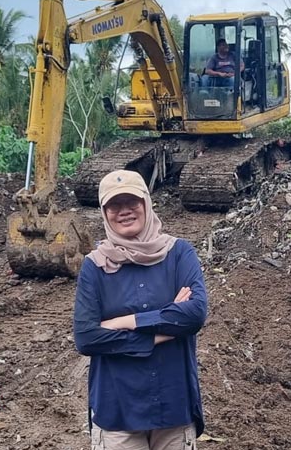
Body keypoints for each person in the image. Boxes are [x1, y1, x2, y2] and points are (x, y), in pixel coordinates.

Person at [73, 169, 208, 450]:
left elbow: (194, 314)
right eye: (114, 205)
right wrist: (159, 332)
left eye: (131, 202)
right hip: (117, 412)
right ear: (104, 211)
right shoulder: (94, 266)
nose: (124, 211)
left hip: (173, 408)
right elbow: (87, 337)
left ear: (146, 203)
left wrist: (124, 321)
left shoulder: (179, 253)